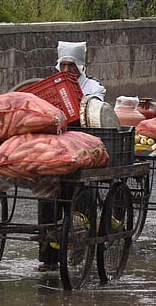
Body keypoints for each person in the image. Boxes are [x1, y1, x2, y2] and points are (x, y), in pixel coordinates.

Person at [37, 41, 105, 272]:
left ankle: (79, 247)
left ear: (81, 67)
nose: (67, 72)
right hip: (55, 151)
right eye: (63, 66)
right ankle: (48, 258)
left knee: (81, 195)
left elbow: (94, 115)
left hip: (82, 149)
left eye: (72, 67)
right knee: (47, 196)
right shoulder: (50, 88)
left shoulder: (94, 88)